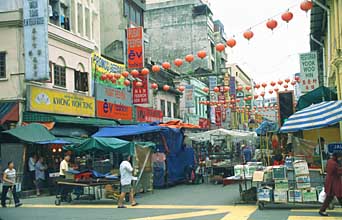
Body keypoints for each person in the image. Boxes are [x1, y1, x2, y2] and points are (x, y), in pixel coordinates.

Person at [319, 152, 342, 216]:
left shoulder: (330, 161)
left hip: (331, 182)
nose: (340, 158)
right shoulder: (333, 163)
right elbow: (338, 172)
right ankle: (322, 210)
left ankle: (322, 210)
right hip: (334, 182)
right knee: (339, 196)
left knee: (330, 197)